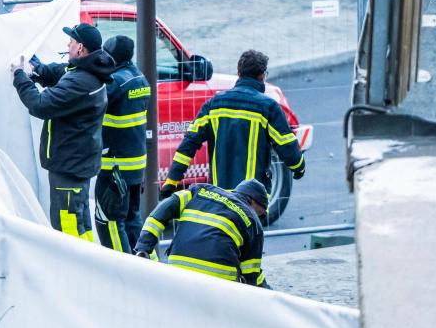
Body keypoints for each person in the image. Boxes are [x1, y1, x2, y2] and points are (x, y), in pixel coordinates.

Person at [11, 22, 115, 242]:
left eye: (71, 41)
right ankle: (88, 266)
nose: (68, 44)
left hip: (69, 167)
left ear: (80, 49)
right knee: (80, 223)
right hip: (77, 163)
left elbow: (39, 105)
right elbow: (60, 74)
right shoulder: (88, 71)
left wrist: (20, 76)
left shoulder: (81, 81)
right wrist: (37, 68)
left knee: (67, 229)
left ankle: (76, 272)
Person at [159, 50, 305, 207]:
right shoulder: (268, 107)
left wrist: (172, 180)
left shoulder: (213, 105)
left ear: (239, 73)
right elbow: (287, 144)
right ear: (263, 75)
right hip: (250, 198)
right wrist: (299, 167)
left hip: (218, 194)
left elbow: (189, 143)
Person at [134, 179, 271, 287]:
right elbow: (251, 278)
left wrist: (143, 248)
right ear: (252, 201)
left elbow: (161, 212)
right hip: (218, 282)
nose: (261, 218)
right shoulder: (253, 222)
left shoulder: (199, 190)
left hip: (177, 269)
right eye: (262, 213)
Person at [96, 35, 151, 252]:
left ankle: (124, 270)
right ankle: (148, 265)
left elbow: (87, 100)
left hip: (114, 167)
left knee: (110, 223)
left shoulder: (116, 82)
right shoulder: (140, 79)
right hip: (136, 166)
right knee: (132, 221)